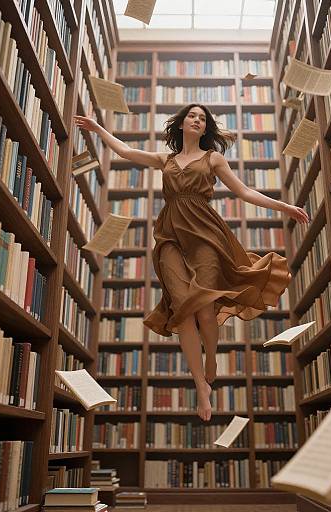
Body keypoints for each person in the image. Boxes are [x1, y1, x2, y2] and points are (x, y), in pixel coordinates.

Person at [74, 104, 309, 421]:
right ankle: (202, 386)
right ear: (182, 123)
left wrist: (284, 206)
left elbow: (243, 191)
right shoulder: (165, 160)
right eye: (193, 116)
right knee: (182, 309)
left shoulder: (213, 158)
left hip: (206, 237)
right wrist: (99, 129)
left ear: (206, 127)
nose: (197, 120)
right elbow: (127, 151)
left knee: (204, 309)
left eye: (203, 118)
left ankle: (211, 356)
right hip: (170, 238)